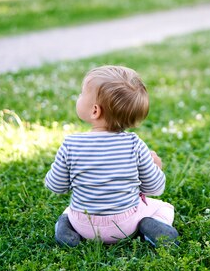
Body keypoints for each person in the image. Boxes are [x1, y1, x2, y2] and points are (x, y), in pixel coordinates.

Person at [44, 65, 178, 247]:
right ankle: (152, 228)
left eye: (82, 93)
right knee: (164, 207)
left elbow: (55, 186)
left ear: (95, 111)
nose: (79, 96)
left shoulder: (71, 145)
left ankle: (67, 228)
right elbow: (155, 188)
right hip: (125, 226)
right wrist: (155, 166)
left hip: (84, 224)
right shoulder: (135, 144)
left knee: (70, 209)